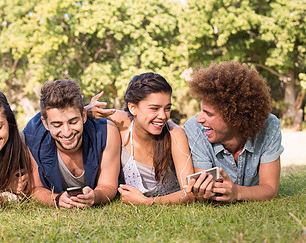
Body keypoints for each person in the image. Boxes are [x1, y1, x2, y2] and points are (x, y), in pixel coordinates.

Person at [87, 73, 195, 205]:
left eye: (167, 108)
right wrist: (85, 110)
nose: (162, 116)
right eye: (154, 108)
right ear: (133, 108)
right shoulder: (121, 123)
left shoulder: (174, 134)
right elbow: (70, 117)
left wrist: (148, 202)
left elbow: (190, 191)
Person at [183, 61, 284, 202]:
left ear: (235, 117)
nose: (200, 119)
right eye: (201, 110)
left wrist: (237, 193)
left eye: (209, 114)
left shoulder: (269, 126)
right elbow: (204, 192)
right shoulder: (195, 129)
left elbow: (270, 189)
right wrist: (203, 192)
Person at [23, 79, 121, 209]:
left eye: (73, 122)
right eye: (57, 125)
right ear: (45, 123)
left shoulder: (107, 132)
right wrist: (56, 199)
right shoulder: (32, 135)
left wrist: (95, 196)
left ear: (84, 115)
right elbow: (34, 189)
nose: (67, 132)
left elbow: (108, 185)